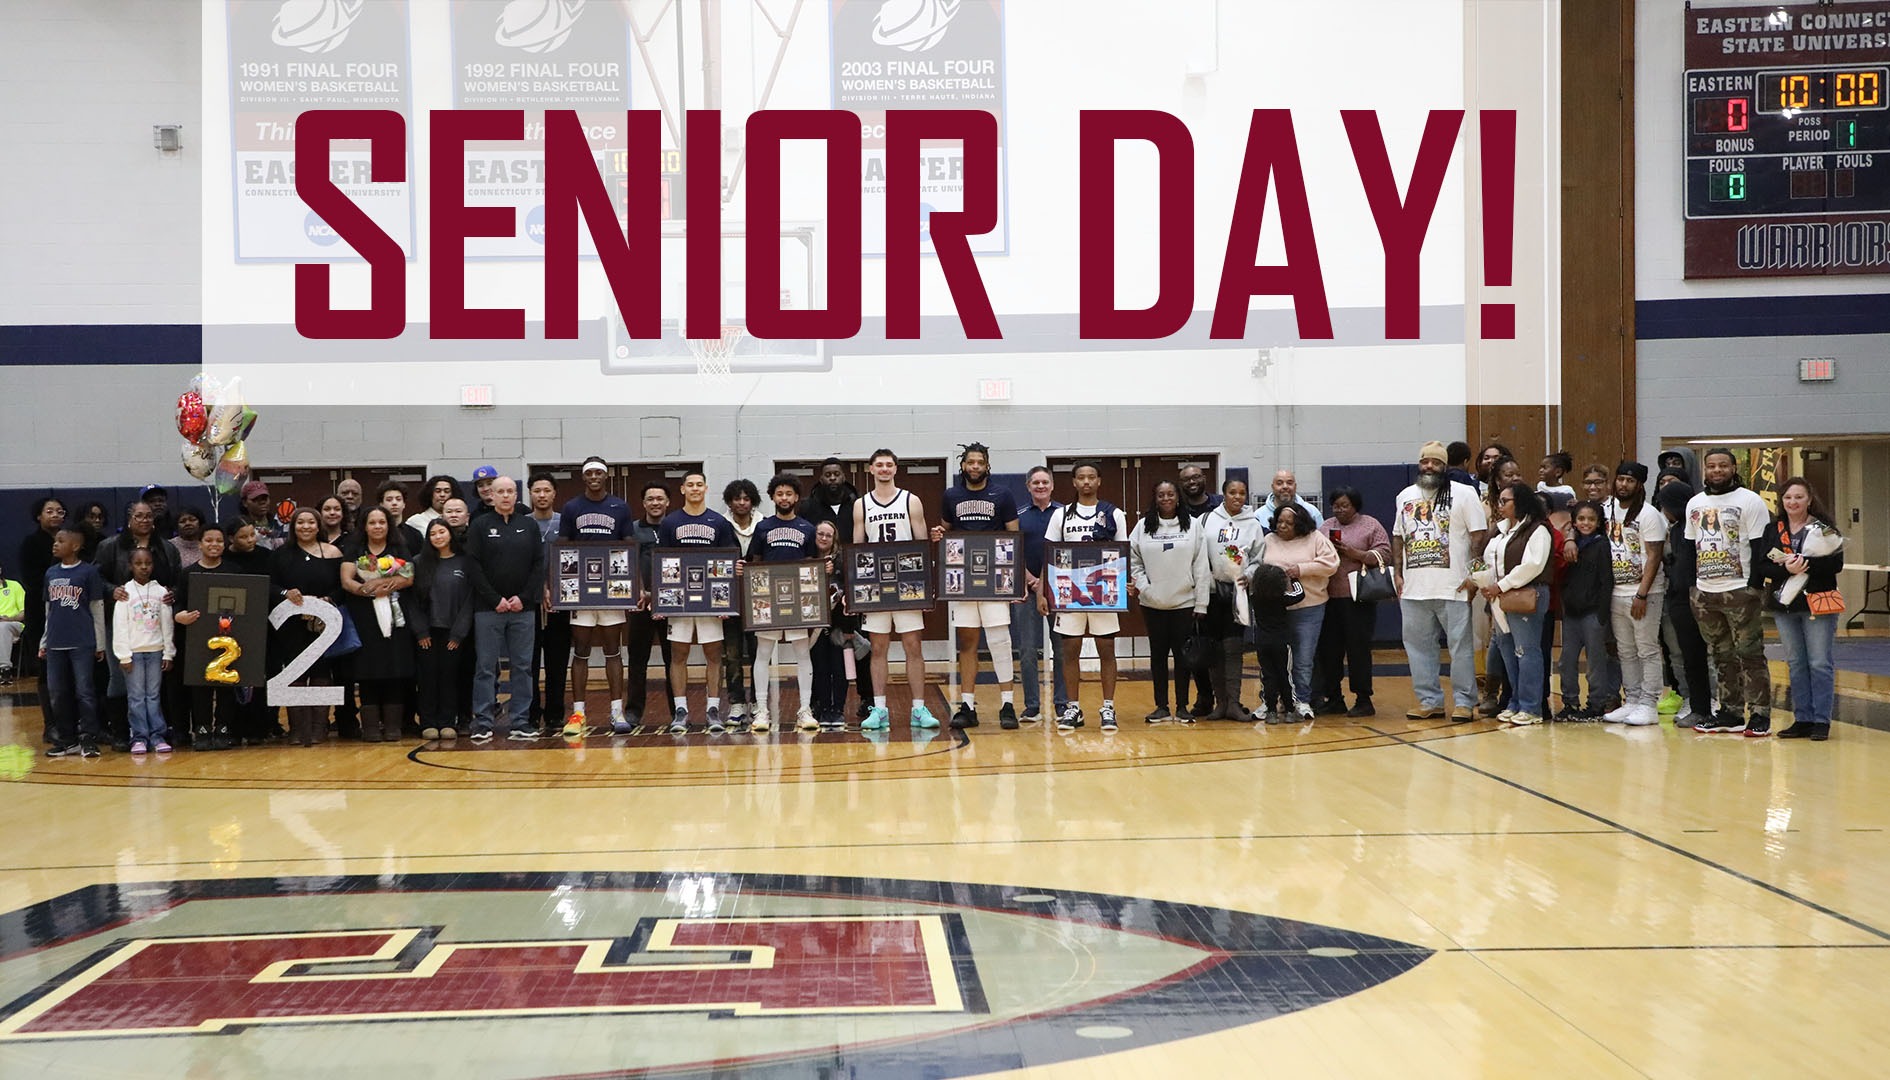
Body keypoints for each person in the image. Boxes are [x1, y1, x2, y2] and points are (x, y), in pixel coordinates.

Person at [1391, 441, 1489, 721]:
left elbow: (1478, 536)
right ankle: (1429, 700)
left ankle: (1464, 701)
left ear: (1445, 466)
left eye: (1435, 462)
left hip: (1453, 586)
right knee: (1418, 648)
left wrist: (1474, 575)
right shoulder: (1405, 496)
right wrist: (1398, 572)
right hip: (1413, 588)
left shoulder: (1464, 494)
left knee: (1460, 648)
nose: (1429, 466)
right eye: (1425, 462)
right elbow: (1398, 535)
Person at [931, 442, 1022, 729]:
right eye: (970, 462)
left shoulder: (1002, 494)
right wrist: (938, 533)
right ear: (963, 465)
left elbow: (1014, 537)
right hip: (962, 579)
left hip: (995, 580)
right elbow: (945, 528)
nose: (974, 467)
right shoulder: (951, 495)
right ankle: (967, 706)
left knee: (999, 640)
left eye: (979, 462)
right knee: (967, 643)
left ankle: (1007, 704)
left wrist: (1014, 582)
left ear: (987, 465)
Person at [1686, 447, 1774, 736]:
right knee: (1721, 655)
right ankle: (1730, 712)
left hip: (1740, 589)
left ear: (1734, 468)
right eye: (1711, 466)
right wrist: (1693, 588)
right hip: (1705, 591)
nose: (1717, 471)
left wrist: (1755, 587)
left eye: (1723, 465)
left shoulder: (1750, 501)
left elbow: (1761, 546)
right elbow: (1689, 547)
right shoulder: (1695, 503)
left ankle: (1759, 714)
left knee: (1749, 653)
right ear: (1705, 470)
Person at [1040, 461, 1130, 732]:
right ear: (1074, 482)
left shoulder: (1114, 514)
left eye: (1092, 477)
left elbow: (1123, 551)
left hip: (1104, 590)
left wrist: (1125, 584)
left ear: (1099, 481)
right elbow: (1049, 555)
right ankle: (1073, 707)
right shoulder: (1062, 515)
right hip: (1069, 591)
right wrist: (1044, 592)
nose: (1087, 482)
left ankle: (1108, 707)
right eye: (1081, 477)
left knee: (1106, 648)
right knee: (1069, 649)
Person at [853, 450, 938, 732]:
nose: (885, 469)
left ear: (896, 469)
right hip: (875, 586)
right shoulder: (861, 505)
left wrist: (926, 589)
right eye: (880, 465)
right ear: (871, 469)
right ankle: (879, 709)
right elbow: (857, 551)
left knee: (913, 645)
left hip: (908, 585)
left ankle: (918, 709)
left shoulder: (911, 500)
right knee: (878, 648)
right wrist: (857, 593)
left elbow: (922, 544)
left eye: (889, 465)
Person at [1754, 477, 1844, 741]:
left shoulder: (1824, 529)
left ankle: (1821, 720)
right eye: (1788, 498)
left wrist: (1805, 564)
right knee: (1795, 663)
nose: (1793, 502)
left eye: (1798, 497)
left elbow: (1835, 564)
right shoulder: (1774, 529)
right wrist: (1785, 568)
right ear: (1782, 501)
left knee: (1819, 662)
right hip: (1785, 605)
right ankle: (1802, 718)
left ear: (1809, 499)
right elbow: (1762, 565)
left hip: (1817, 602)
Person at [559, 457, 635, 735]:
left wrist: (632, 588)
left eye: (598, 473)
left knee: (613, 650)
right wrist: (559, 587)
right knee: (580, 651)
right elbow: (563, 548)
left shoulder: (620, 506)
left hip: (613, 587)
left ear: (606, 477)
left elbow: (629, 547)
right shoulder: (572, 507)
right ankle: (578, 713)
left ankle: (617, 711)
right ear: (583, 477)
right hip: (579, 589)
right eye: (588, 473)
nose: (593, 476)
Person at [465, 477, 544, 741]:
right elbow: (473, 566)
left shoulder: (529, 525)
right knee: (486, 666)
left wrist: (523, 597)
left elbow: (538, 565)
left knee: (523, 666)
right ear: (492, 496)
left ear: (517, 495)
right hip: (488, 609)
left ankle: (520, 721)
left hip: (523, 609)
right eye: (501, 491)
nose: (506, 496)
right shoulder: (479, 526)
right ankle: (484, 722)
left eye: (511, 491)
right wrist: (494, 598)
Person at [660, 471, 739, 734]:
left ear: (706, 488)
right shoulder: (670, 522)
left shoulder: (719, 522)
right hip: (679, 600)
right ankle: (681, 710)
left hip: (711, 601)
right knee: (678, 653)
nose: (695, 489)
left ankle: (713, 709)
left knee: (714, 653)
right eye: (690, 485)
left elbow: (729, 563)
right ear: (682, 489)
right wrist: (663, 602)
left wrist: (727, 602)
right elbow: (664, 564)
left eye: (699, 485)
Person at [1128, 480, 1209, 722]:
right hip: (1153, 603)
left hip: (1184, 602)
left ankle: (1182, 706)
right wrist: (1144, 588)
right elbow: (1134, 562)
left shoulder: (1193, 526)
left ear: (1178, 497)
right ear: (1155, 498)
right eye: (1161, 494)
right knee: (1158, 655)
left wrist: (1201, 603)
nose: (1166, 499)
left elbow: (1201, 565)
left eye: (1170, 494)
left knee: (1183, 658)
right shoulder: (1143, 527)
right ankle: (1161, 706)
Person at [338, 506, 417, 744]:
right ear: (364, 526)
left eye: (382, 522)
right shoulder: (354, 549)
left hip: (395, 617)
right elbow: (346, 580)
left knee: (394, 669)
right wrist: (365, 590)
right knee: (367, 670)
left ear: (388, 525)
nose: (377, 526)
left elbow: (408, 577)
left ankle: (393, 727)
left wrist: (387, 585)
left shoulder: (399, 548)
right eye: (372, 523)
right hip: (364, 618)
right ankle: (370, 727)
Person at [749, 474, 822, 731]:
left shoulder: (807, 528)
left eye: (788, 494)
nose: (784, 498)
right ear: (772, 497)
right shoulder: (763, 528)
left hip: (798, 600)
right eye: (779, 494)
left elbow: (813, 566)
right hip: (767, 600)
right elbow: (754, 563)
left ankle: (805, 709)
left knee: (802, 653)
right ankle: (761, 710)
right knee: (763, 654)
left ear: (796, 497)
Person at [1313, 486, 1391, 718]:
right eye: (1336, 505)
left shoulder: (1371, 525)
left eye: (1344, 505)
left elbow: (1384, 554)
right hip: (1328, 598)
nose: (1340, 510)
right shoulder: (1326, 527)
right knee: (1329, 651)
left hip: (1359, 598)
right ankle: (1334, 697)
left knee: (1358, 650)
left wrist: (1353, 553)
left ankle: (1363, 699)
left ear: (1355, 505)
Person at [1479, 483, 1553, 725]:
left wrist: (1501, 585)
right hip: (1499, 598)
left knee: (1527, 650)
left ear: (1519, 502)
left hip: (1526, 596)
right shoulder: (1501, 531)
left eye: (1504, 501)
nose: (1499, 506)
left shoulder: (1537, 530)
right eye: (1498, 501)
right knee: (1508, 650)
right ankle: (1516, 701)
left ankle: (1532, 708)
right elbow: (1491, 562)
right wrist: (1480, 580)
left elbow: (1533, 565)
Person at [270, 507, 344, 746]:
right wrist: (285, 593)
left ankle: (319, 728)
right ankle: (298, 729)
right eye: (300, 522)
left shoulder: (332, 552)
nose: (305, 527)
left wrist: (329, 600)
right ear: (293, 527)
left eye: (311, 522)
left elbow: (341, 587)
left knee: (322, 673)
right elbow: (271, 585)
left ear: (318, 525)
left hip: (322, 626)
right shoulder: (281, 554)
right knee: (295, 673)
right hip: (290, 626)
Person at [1602, 461, 1667, 726]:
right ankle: (1632, 700)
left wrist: (1642, 594)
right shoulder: (1608, 509)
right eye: (1620, 479)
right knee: (1625, 650)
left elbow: (1654, 556)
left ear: (1639, 485)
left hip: (1643, 594)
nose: (1623, 484)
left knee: (1647, 649)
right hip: (1616, 591)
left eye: (1630, 480)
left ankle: (1650, 703)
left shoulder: (1649, 515)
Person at [1260, 505, 1340, 720]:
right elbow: (1257, 566)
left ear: (1300, 523)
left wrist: (1301, 569)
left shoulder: (1315, 538)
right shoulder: (1269, 541)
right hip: (1276, 612)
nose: (1282, 526)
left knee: (1303, 658)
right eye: (1279, 521)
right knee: (1274, 659)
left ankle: (1301, 700)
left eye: (1288, 522)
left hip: (1309, 608)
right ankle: (1271, 701)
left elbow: (1331, 564)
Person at [171, 523, 245, 750]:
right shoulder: (188, 573)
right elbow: (179, 604)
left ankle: (224, 728)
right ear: (200, 544)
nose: (214, 545)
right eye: (209, 540)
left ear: (226, 544)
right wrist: (179, 616)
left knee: (226, 684)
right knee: (199, 685)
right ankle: (201, 730)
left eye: (219, 541)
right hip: (196, 639)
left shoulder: (235, 571)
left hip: (228, 639)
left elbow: (243, 606)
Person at [1200, 477, 1267, 721]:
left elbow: (1259, 558)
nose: (1237, 497)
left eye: (1242, 493)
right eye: (1232, 492)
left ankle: (1234, 703)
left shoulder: (1253, 524)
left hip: (1238, 593)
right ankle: (1221, 703)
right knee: (1215, 649)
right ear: (1223, 494)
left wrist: (1246, 575)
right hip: (1211, 593)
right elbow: (1197, 554)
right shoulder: (1206, 520)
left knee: (1233, 648)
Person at [39, 526, 107, 758]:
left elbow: (96, 608)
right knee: (57, 692)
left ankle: (88, 737)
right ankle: (67, 740)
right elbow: (49, 610)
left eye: (61, 540)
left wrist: (100, 643)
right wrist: (44, 641)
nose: (55, 544)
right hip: (56, 643)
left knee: (85, 691)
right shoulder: (50, 573)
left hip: (82, 641)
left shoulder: (88, 572)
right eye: (55, 540)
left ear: (75, 546)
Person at [1013, 466, 1069, 726]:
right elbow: (1013, 550)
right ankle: (1032, 706)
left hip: (1059, 591)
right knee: (1026, 650)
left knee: (1061, 649)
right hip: (1027, 590)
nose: (1040, 486)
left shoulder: (1064, 514)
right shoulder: (1019, 516)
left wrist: (1047, 584)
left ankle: (1062, 704)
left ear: (1052, 485)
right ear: (1028, 486)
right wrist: (1032, 581)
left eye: (1045, 482)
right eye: (1035, 482)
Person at [1653, 479, 1710, 726]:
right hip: (1677, 597)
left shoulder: (1695, 527)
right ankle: (1696, 705)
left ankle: (1712, 704)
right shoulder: (1675, 530)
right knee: (1687, 655)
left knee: (1704, 654)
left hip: (1698, 595)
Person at [413, 519, 475, 741]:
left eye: (442, 532)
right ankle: (428, 722)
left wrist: (459, 633)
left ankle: (448, 721)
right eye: (433, 534)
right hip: (428, 633)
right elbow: (412, 601)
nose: (438, 537)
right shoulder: (419, 563)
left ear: (450, 534)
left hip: (454, 633)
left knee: (450, 677)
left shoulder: (464, 562)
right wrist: (420, 632)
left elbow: (470, 600)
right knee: (428, 677)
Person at [1556, 502, 1615, 721]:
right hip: (1572, 613)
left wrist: (1602, 614)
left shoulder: (1602, 546)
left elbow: (1606, 581)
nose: (1586, 523)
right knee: (1566, 661)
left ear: (1599, 523)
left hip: (1593, 613)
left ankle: (1597, 704)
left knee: (1595, 661)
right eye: (1581, 519)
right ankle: (1570, 702)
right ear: (1574, 522)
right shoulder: (1570, 545)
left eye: (1591, 519)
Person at [112, 547, 175, 754]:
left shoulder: (161, 592)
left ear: (153, 565)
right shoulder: (125, 593)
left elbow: (167, 624)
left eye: (147, 563)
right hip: (133, 653)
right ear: (131, 566)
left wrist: (168, 653)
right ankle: (139, 736)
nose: (144, 567)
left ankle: (157, 736)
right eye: (138, 564)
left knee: (153, 695)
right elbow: (120, 626)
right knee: (137, 696)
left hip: (156, 651)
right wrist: (123, 655)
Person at [809, 520, 866, 728]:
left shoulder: (842, 560)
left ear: (834, 539)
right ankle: (824, 708)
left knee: (840, 668)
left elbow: (850, 594)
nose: (823, 538)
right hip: (815, 627)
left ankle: (838, 709)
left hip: (840, 626)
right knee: (820, 668)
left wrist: (850, 628)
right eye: (820, 534)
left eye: (828, 535)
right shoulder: (807, 560)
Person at [624, 482, 672, 726]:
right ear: (643, 504)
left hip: (671, 604)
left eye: (659, 498)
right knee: (637, 659)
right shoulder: (634, 529)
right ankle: (633, 711)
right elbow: (628, 562)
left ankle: (678, 710)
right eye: (650, 499)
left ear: (667, 502)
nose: (655, 503)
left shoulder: (674, 528)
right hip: (641, 603)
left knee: (672, 659)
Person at [526, 471, 568, 735]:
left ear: (554, 494)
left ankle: (554, 714)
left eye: (546, 491)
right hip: (529, 603)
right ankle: (530, 713)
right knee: (528, 662)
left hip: (560, 603)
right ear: (530, 494)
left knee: (557, 661)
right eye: (537, 491)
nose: (541, 495)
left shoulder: (565, 524)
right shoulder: (521, 524)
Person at [722, 478, 763, 727]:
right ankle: (736, 703)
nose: (741, 502)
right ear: (730, 501)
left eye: (746, 498)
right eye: (737, 498)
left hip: (758, 599)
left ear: (753, 501)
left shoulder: (764, 525)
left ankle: (759, 703)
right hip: (730, 600)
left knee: (760, 652)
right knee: (733, 654)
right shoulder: (720, 525)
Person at [20, 497, 66, 684]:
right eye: (49, 511)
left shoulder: (71, 542)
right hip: (40, 609)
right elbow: (32, 580)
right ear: (39, 516)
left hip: (67, 608)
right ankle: (49, 710)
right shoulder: (31, 543)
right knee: (45, 667)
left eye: (60, 511)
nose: (55, 514)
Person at [1253, 469, 1323, 532]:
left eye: (1289, 483)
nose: (1285, 486)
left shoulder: (1312, 512)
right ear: (1272, 487)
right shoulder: (1258, 515)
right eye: (1279, 483)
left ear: (1295, 487)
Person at [803, 458, 859, 536]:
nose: (832, 478)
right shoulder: (808, 506)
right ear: (821, 479)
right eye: (827, 475)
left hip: (852, 548)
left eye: (837, 474)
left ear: (843, 478)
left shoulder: (857, 504)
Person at [241, 481, 286, 549]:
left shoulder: (280, 524)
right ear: (245, 503)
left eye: (265, 498)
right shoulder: (239, 526)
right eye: (255, 499)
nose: (262, 502)